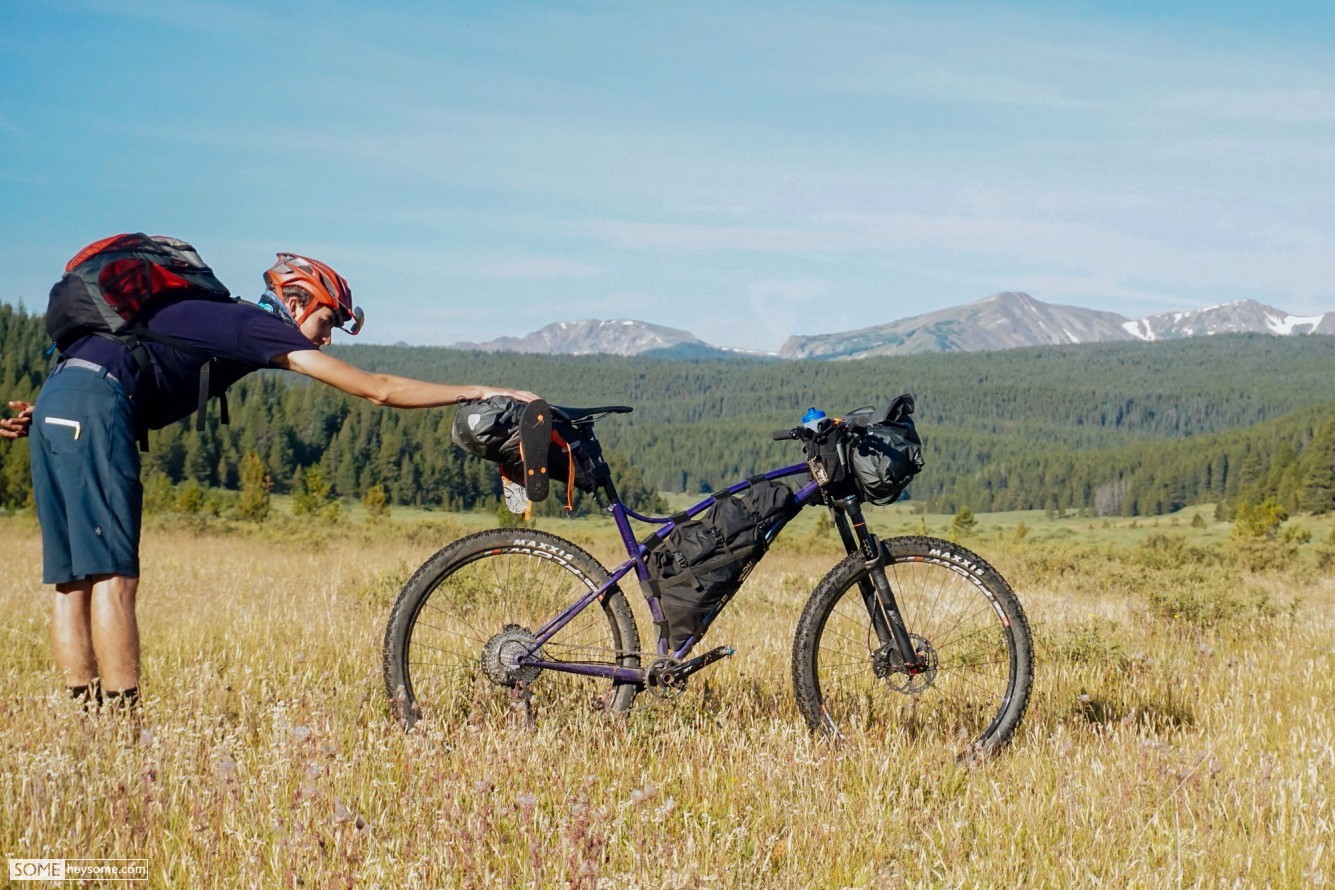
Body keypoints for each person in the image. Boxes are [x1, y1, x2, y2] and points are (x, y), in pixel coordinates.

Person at [5, 251, 539, 711]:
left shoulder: (221, 318)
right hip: (96, 408)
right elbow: (376, 388)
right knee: (114, 579)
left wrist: (52, 414)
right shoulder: (249, 324)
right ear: (298, 300)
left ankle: (88, 723)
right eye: (327, 321)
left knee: (71, 582)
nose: (327, 338)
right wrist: (478, 388)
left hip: (61, 400)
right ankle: (122, 728)